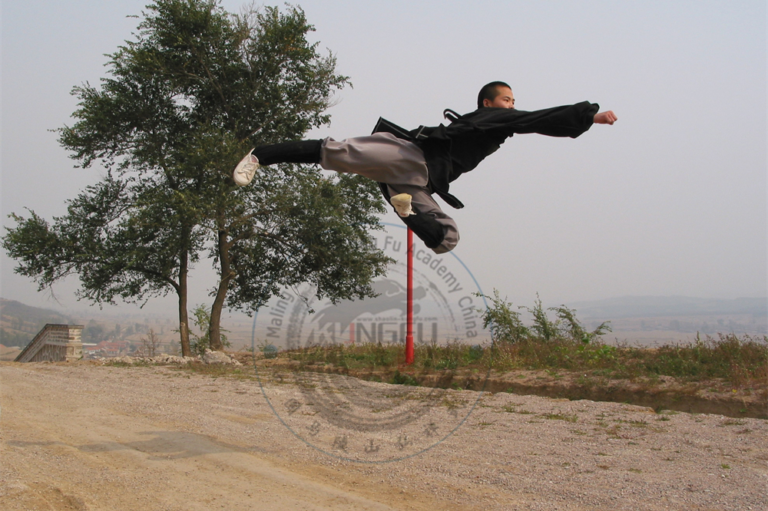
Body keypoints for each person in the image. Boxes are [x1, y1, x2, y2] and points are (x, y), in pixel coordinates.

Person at [233, 81, 617, 254]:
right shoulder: (493, 120)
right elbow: (536, 119)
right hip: (410, 157)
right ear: (487, 103)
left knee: (446, 239)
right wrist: (590, 117)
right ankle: (260, 155)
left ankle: (403, 207)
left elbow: (528, 121)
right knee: (336, 151)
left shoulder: (497, 126)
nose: (512, 104)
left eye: (514, 99)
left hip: (422, 182)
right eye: (506, 99)